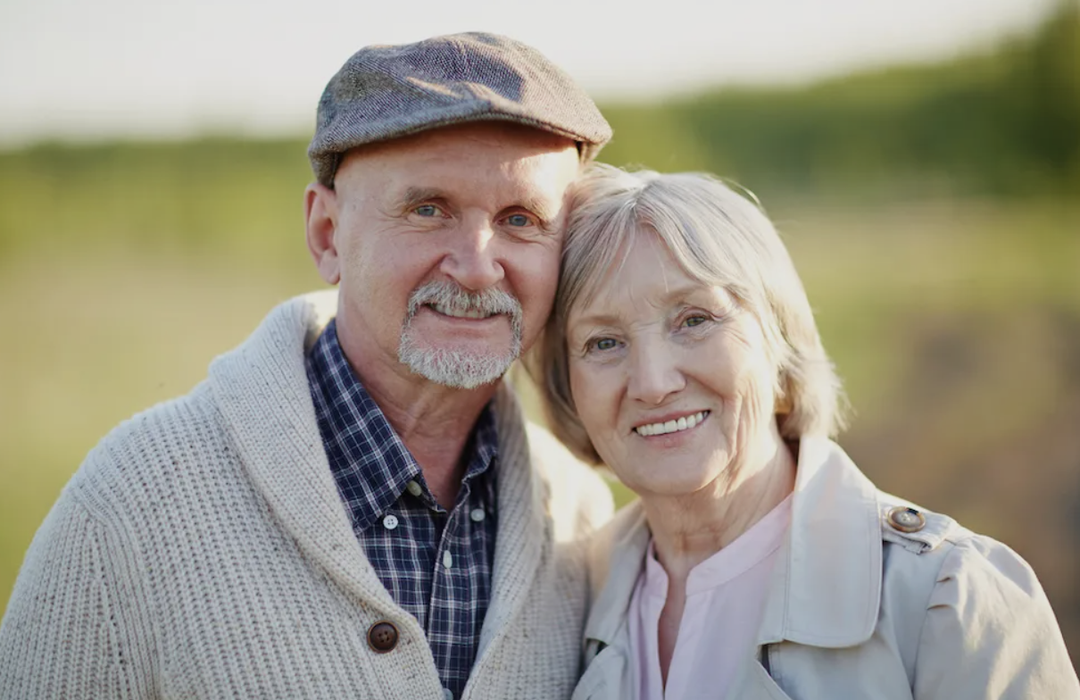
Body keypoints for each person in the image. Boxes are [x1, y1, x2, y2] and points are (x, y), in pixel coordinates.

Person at [0, 33, 615, 700]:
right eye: (427, 209)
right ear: (327, 234)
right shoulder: (134, 502)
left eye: (521, 219)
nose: (474, 265)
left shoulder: (580, 517)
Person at [532, 164, 1080, 699]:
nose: (652, 383)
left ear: (781, 350)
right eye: (603, 342)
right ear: (569, 389)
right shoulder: (567, 595)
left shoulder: (949, 602)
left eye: (694, 320)